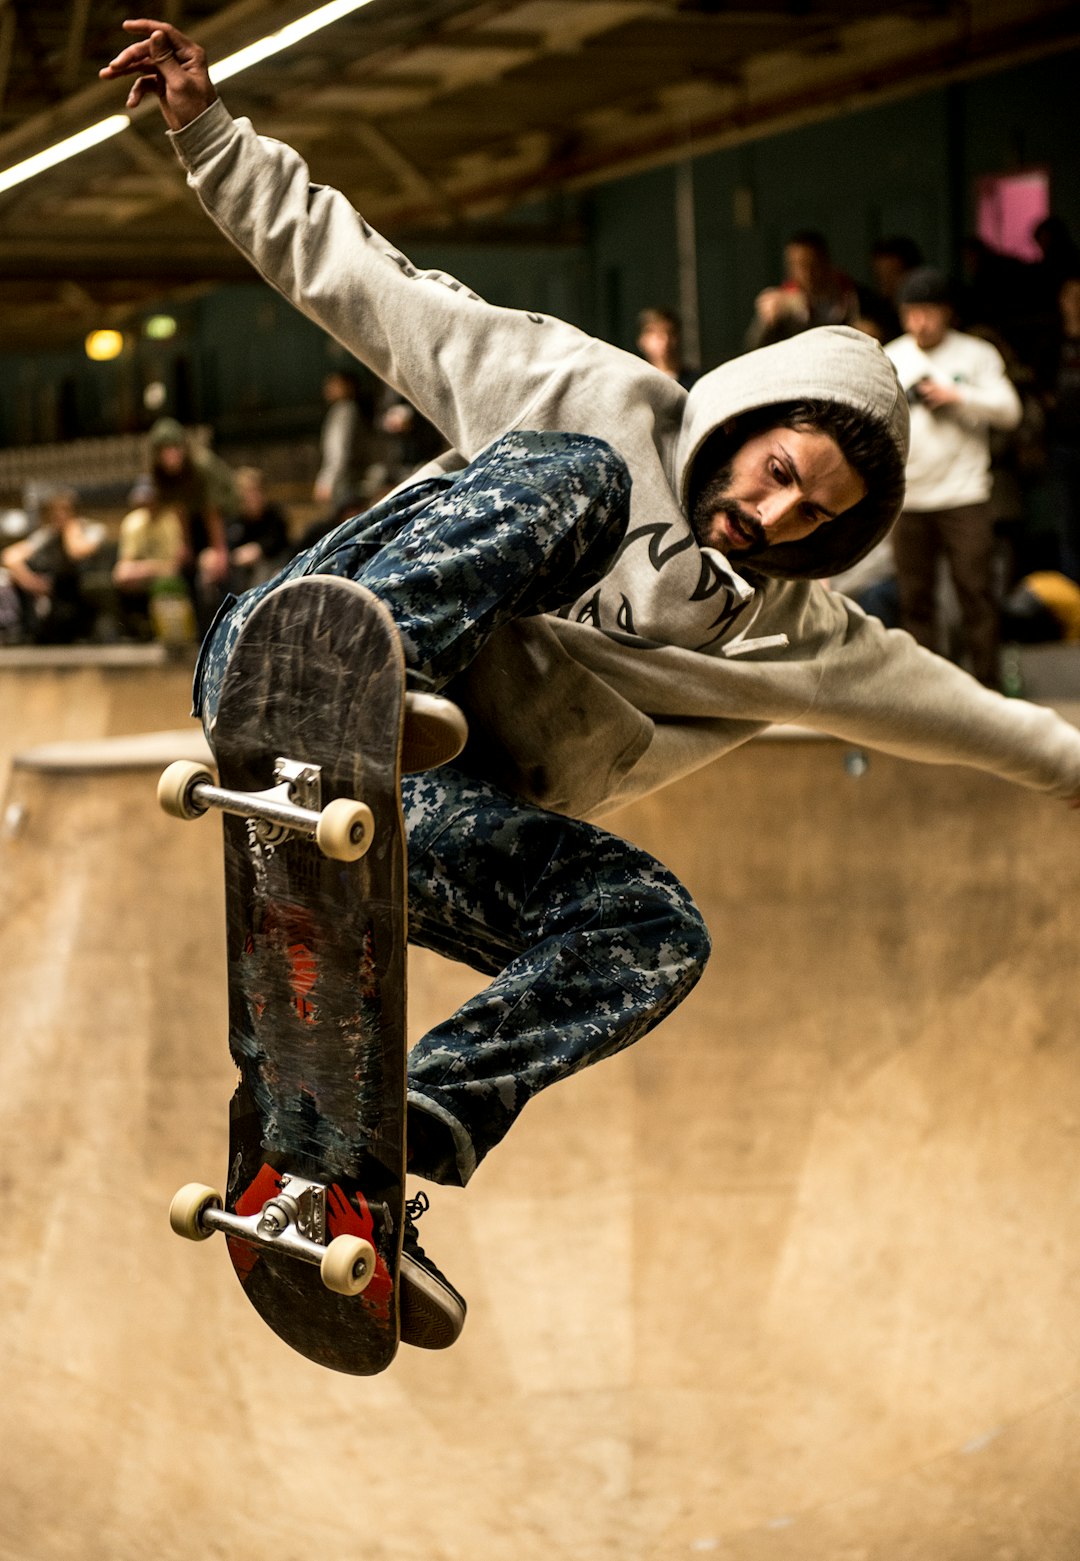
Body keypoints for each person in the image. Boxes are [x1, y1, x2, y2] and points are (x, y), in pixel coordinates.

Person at [103, 23, 1080, 1351]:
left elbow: (988, 719)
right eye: (778, 472)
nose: (775, 520)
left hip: (415, 812)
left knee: (654, 929)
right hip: (299, 658)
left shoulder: (794, 635)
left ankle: (369, 1161)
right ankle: (367, 683)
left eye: (816, 523)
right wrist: (211, 137)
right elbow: (368, 283)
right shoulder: (589, 389)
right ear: (745, 421)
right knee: (579, 472)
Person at [884, 267, 1023, 687]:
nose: (918, 323)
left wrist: (956, 395)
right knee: (915, 601)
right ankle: (932, 698)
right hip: (909, 497)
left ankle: (988, 691)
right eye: (910, 314)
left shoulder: (975, 354)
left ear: (946, 312)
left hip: (964, 494)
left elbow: (1010, 411)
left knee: (976, 594)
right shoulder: (893, 354)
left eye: (926, 313)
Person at [0, 486, 103, 644]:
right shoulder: (47, 534)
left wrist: (71, 529)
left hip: (83, 585)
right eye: (55, 512)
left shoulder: (92, 529)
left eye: (65, 511)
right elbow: (10, 557)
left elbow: (76, 552)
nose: (59, 516)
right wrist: (32, 582)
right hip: (55, 588)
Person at [747, 229, 860, 349]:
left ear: (826, 262)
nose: (806, 273)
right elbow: (755, 346)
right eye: (797, 265)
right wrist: (767, 322)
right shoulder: (783, 303)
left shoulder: (851, 295)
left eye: (811, 264)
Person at [227, 467, 290, 588]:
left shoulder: (275, 514)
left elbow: (277, 542)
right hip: (240, 568)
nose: (251, 497)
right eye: (246, 493)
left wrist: (258, 549)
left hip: (273, 563)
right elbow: (230, 544)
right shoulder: (235, 518)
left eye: (255, 492)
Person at [636, 308, 698, 390]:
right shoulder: (636, 382)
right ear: (642, 339)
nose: (665, 340)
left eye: (670, 333)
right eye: (657, 334)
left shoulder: (696, 383)